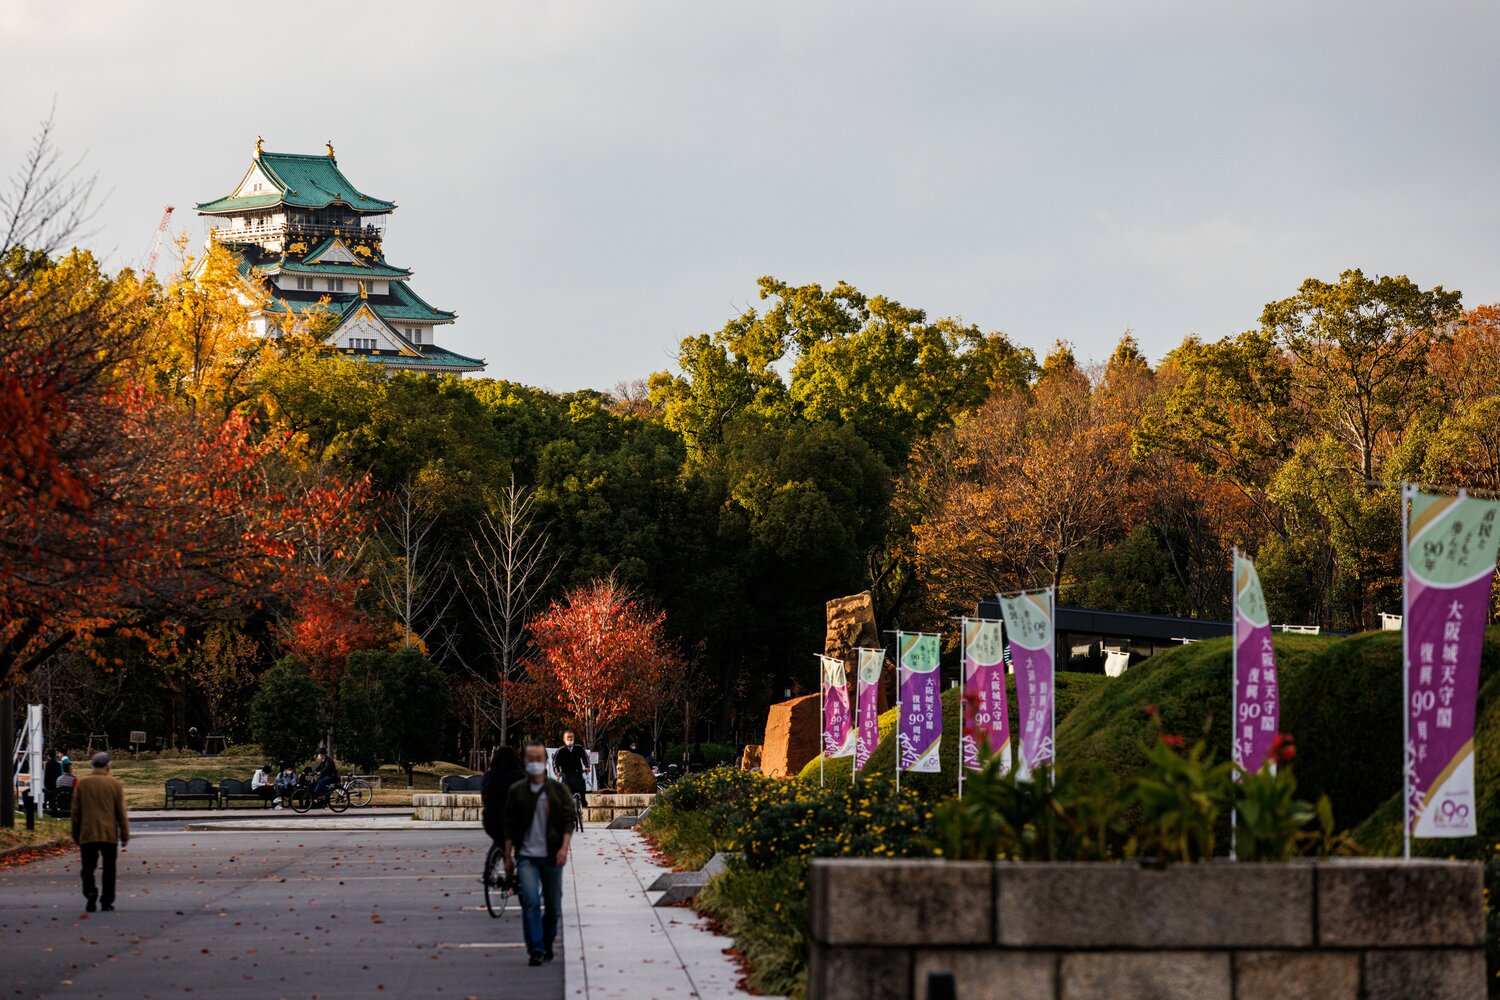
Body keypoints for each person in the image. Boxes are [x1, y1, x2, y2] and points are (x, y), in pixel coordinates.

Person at [503, 743, 576, 966]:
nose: (534, 762)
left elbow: (568, 820)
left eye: (538, 758)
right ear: (524, 762)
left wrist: (564, 848)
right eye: (530, 758)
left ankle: (547, 942)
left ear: (545, 762)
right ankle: (535, 949)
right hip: (526, 857)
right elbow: (509, 824)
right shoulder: (517, 791)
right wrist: (507, 856)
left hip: (553, 856)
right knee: (531, 902)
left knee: (553, 906)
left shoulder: (557, 790)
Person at [71, 752, 129, 912]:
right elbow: (121, 813)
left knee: (88, 868)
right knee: (109, 868)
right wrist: (124, 834)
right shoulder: (115, 785)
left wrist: (75, 834)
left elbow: (75, 812)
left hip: (87, 833)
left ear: (92, 765)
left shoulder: (82, 785)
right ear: (108, 766)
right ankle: (106, 900)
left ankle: (90, 892)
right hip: (108, 833)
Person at [481, 746, 526, 844]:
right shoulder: (520, 776)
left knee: (498, 842)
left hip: (492, 821)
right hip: (515, 821)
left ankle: (492, 856)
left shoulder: (489, 776)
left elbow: (485, 798)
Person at [552, 731, 589, 808]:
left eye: (571, 737)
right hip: (566, 774)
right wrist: (557, 772)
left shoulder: (579, 748)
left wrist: (587, 766)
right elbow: (555, 763)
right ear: (564, 739)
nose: (570, 739)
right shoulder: (560, 750)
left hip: (577, 773)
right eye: (568, 737)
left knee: (582, 787)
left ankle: (583, 801)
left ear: (574, 738)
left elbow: (585, 757)